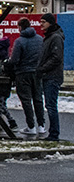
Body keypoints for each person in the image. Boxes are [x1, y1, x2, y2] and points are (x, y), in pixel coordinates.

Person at [9, 17, 46, 137]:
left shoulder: (19, 41)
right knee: (38, 99)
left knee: (26, 100)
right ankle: (41, 126)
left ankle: (31, 126)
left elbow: (14, 59)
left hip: (23, 73)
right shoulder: (40, 39)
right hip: (37, 72)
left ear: (20, 27)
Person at [37, 13, 65, 141]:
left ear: (50, 23)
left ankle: (54, 133)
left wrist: (42, 68)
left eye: (43, 21)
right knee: (50, 105)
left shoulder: (55, 38)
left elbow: (56, 58)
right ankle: (53, 132)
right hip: (48, 75)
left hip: (52, 76)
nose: (41, 24)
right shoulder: (49, 37)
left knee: (51, 105)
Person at [0, 29, 18, 132]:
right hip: (5, 78)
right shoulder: (5, 48)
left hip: (2, 78)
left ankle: (10, 121)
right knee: (0, 101)